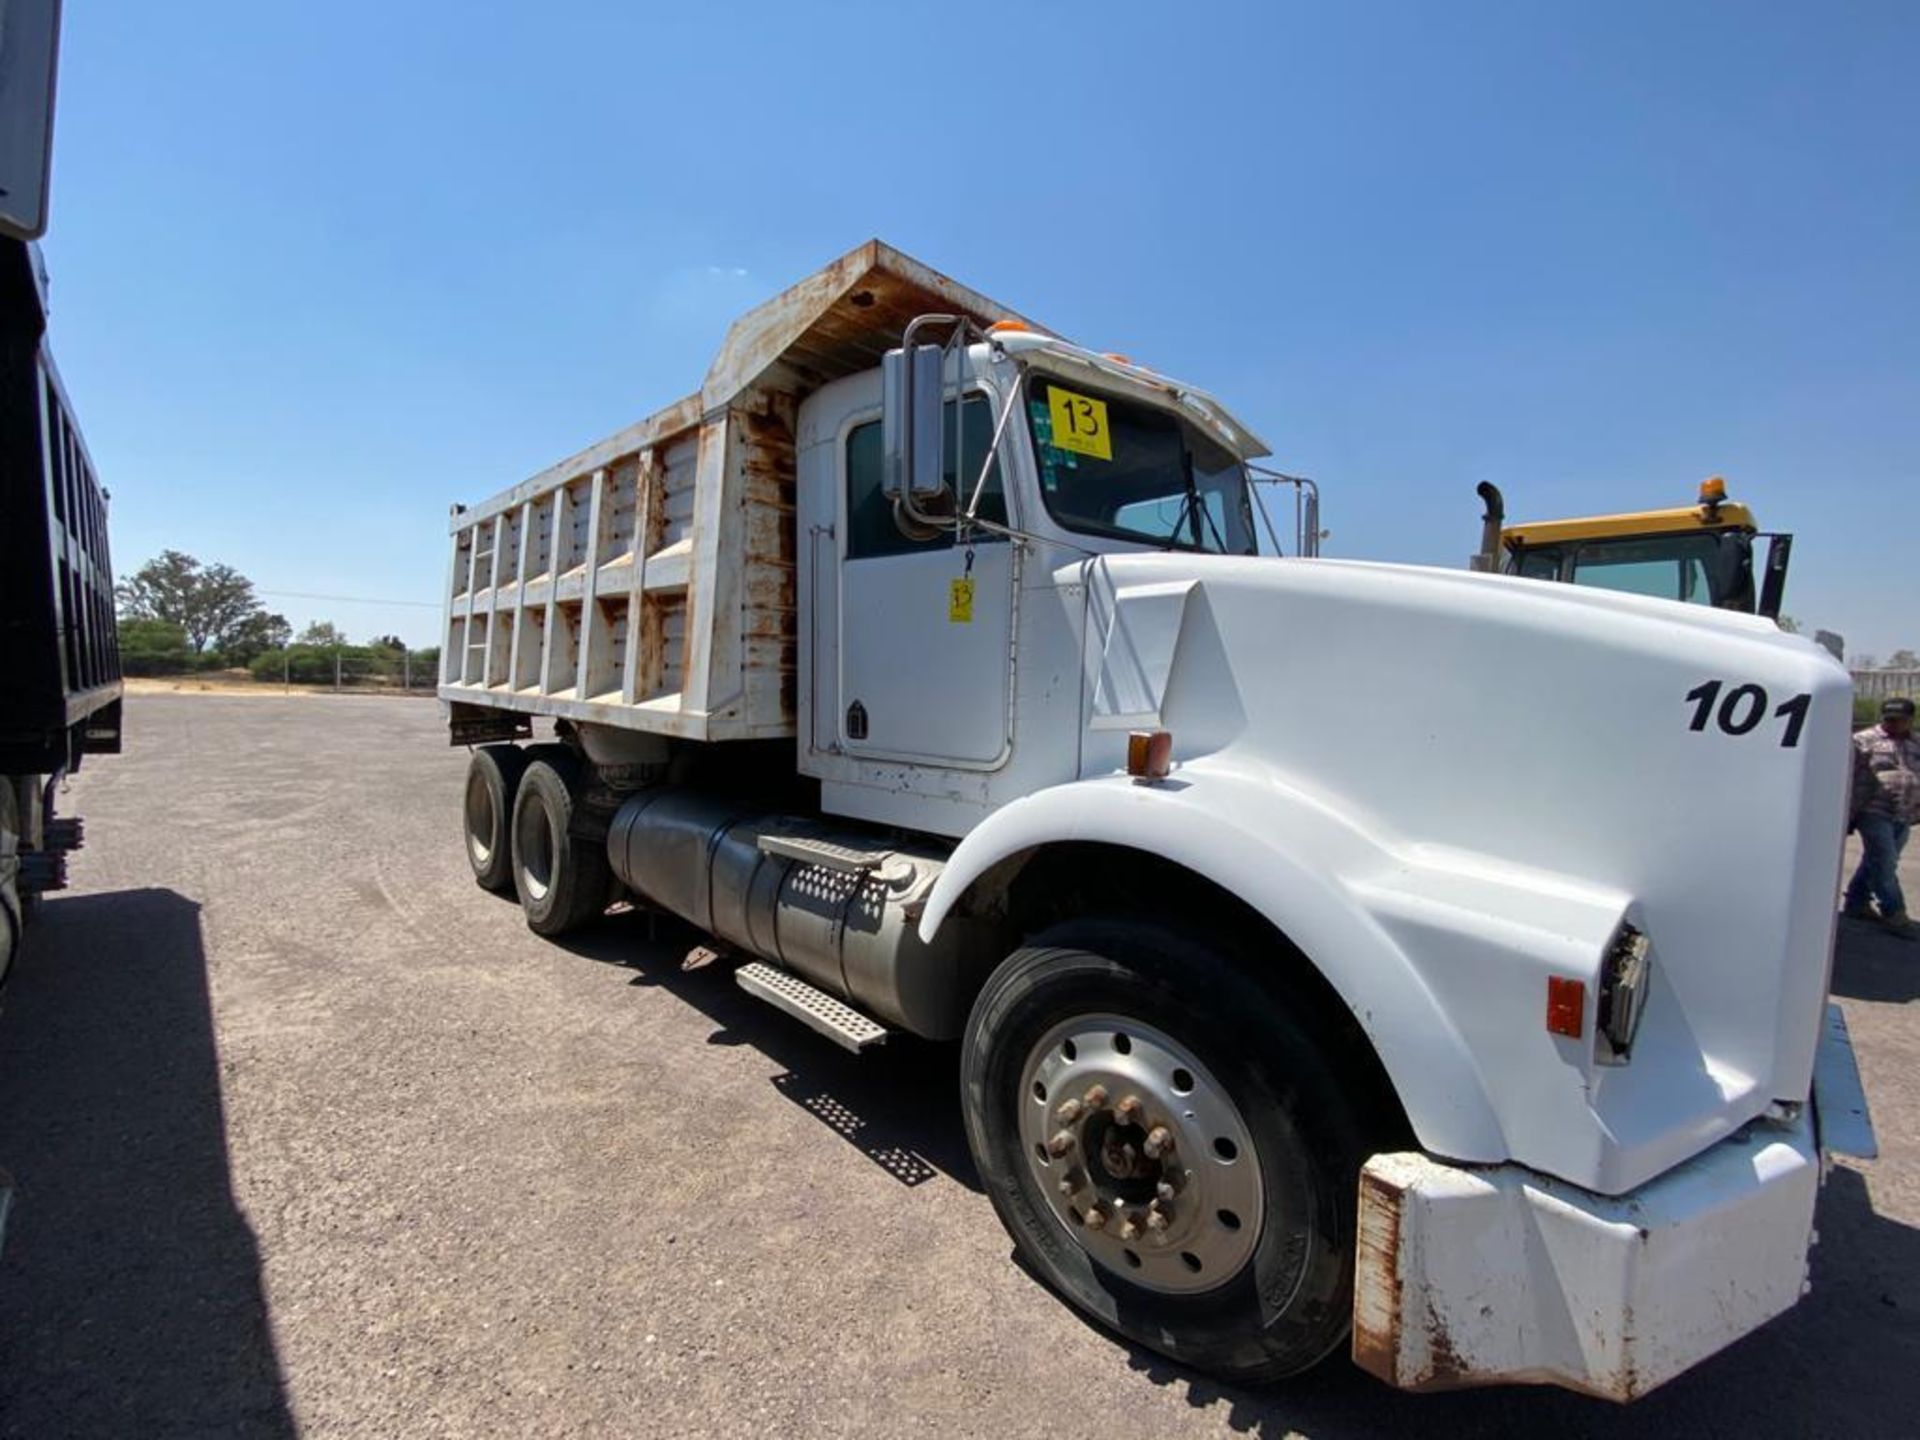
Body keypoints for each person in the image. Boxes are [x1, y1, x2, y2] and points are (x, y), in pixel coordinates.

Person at [1845, 696, 1920, 938]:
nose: (1894, 724)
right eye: (1890, 719)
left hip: (1905, 812)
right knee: (1885, 862)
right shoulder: (1863, 741)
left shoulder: (1916, 743)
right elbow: (1850, 775)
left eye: (1900, 720)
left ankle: (1856, 902)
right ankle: (1894, 913)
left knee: (1878, 861)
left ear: (1910, 720)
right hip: (1873, 810)